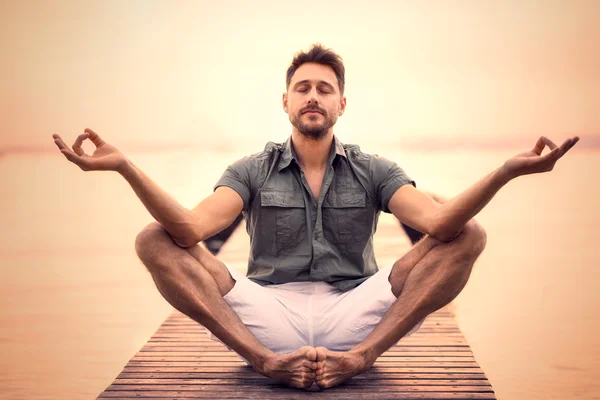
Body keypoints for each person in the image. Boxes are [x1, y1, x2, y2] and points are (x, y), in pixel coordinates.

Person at [52, 44, 579, 390]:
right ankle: (261, 361)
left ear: (341, 105)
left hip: (354, 313)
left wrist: (508, 171)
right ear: (285, 102)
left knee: (470, 235)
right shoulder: (251, 170)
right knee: (153, 239)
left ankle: (364, 358)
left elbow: (441, 226)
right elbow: (189, 230)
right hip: (267, 316)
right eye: (303, 88)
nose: (313, 96)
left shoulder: (375, 169)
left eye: (324, 89)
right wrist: (124, 166)